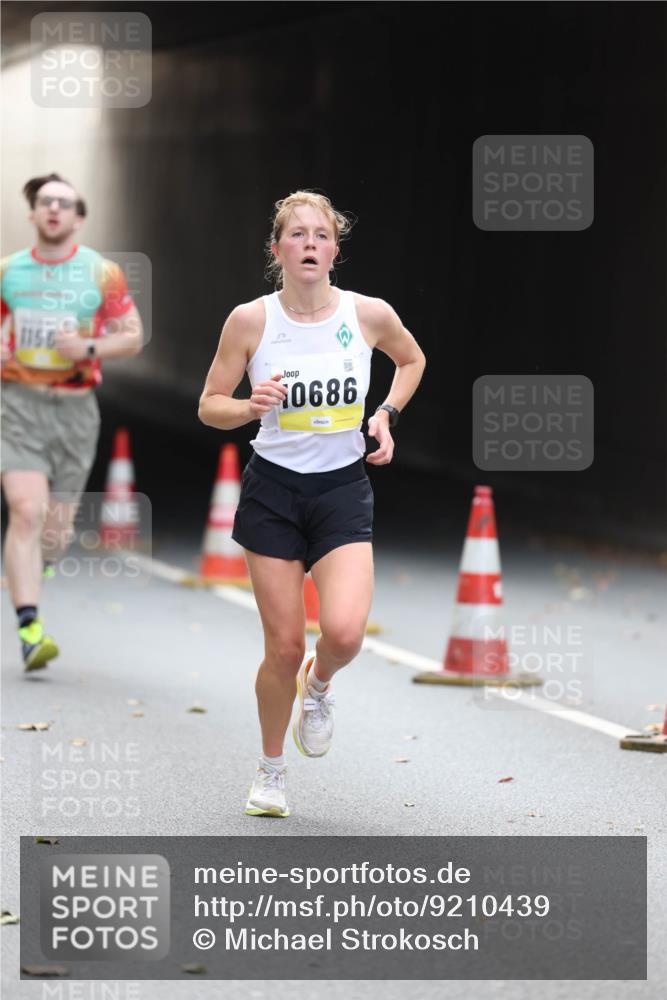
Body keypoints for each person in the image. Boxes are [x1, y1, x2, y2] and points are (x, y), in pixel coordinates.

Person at [198, 190, 425, 817]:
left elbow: (411, 360)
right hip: (273, 490)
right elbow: (209, 403)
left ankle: (319, 688)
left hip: (341, 489)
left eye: (320, 236)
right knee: (284, 648)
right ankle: (271, 773)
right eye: (296, 235)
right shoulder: (251, 321)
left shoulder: (367, 314)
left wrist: (384, 416)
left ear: (335, 251)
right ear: (277, 250)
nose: (309, 245)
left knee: (346, 633)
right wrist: (249, 406)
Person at [1, 173, 143, 670]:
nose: (54, 210)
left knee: (54, 533)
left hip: (76, 410)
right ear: (33, 214)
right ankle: (29, 627)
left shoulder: (101, 273)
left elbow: (132, 335)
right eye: (45, 202)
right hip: (16, 405)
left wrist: (87, 347)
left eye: (64, 203)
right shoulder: (8, 272)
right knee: (25, 509)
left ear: (79, 217)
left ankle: (35, 570)